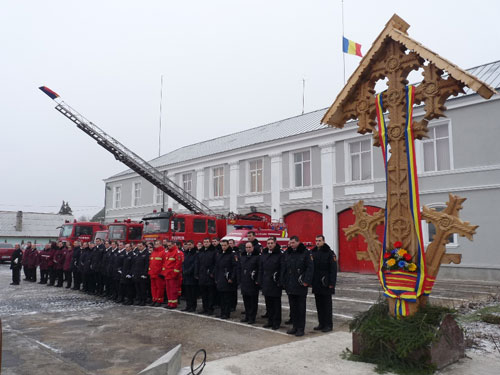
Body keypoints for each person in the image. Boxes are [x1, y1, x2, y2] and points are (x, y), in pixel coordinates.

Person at [281, 235, 313, 337]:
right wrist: (283, 281)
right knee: (293, 308)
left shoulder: (305, 252)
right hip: (290, 284)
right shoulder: (288, 253)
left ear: (298, 242)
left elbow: (310, 268)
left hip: (300, 284)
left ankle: (300, 328)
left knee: (300, 308)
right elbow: (284, 268)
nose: (291, 244)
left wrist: (306, 281)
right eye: (290, 243)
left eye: (293, 242)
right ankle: (294, 327)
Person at [311, 235, 337, 333]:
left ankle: (328, 325)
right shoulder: (313, 252)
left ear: (324, 241)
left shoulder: (330, 253)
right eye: (316, 240)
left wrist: (331, 283)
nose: (317, 242)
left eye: (319, 240)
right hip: (317, 283)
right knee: (319, 305)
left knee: (327, 305)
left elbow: (333, 270)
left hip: (326, 283)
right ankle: (321, 323)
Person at [259, 236, 283, 330]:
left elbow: (282, 269)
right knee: (268, 303)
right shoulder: (264, 254)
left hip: (275, 282)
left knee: (276, 304)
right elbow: (261, 268)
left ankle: (276, 322)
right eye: (268, 243)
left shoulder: (279, 255)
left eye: (271, 243)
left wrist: (280, 281)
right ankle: (270, 321)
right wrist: (260, 280)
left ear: (275, 244)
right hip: (266, 281)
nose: (270, 245)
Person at [215, 239, 238, 319]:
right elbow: (217, 267)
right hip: (220, 278)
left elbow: (235, 267)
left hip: (227, 278)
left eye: (225, 245)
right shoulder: (220, 254)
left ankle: (226, 313)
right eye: (222, 245)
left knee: (227, 297)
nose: (223, 247)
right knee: (221, 297)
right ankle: (222, 312)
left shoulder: (232, 254)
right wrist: (216, 277)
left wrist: (232, 277)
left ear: (228, 245)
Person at [240, 242, 260, 324]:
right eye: (246, 247)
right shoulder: (243, 257)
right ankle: (247, 316)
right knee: (246, 301)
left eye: (249, 247)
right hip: (244, 281)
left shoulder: (257, 257)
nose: (248, 249)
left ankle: (252, 317)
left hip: (252, 282)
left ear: (253, 248)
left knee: (253, 302)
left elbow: (259, 269)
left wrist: (257, 280)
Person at [195, 238, 217, 315]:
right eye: (204, 242)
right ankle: (205, 308)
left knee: (210, 294)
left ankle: (210, 309)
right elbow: (197, 263)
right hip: (202, 275)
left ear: (210, 243)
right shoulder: (200, 252)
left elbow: (216, 264)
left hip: (209, 276)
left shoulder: (213, 251)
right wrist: (196, 273)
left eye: (207, 242)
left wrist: (212, 273)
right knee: (203, 294)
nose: (206, 243)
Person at [162, 240, 183, 309]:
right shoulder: (168, 253)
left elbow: (178, 264)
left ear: (174, 244)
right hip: (167, 275)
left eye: (170, 245)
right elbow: (165, 264)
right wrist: (164, 273)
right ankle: (170, 302)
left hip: (173, 275)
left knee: (173, 290)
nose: (168, 247)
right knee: (168, 290)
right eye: (168, 246)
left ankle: (173, 304)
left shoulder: (177, 252)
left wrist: (175, 274)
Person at [148, 240, 166, 306]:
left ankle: (159, 300)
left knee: (160, 288)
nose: (156, 245)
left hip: (159, 274)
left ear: (161, 244)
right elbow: (151, 263)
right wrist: (149, 272)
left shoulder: (163, 252)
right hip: (152, 274)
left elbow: (165, 264)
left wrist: (162, 273)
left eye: (157, 244)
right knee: (153, 288)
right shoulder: (153, 252)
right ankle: (154, 299)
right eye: (155, 244)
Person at [182, 240, 198, 312]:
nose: (189, 246)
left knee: (192, 293)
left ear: (193, 245)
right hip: (186, 275)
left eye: (190, 244)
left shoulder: (195, 253)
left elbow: (194, 264)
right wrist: (184, 270)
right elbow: (183, 262)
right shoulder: (186, 253)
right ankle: (188, 306)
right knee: (187, 292)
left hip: (191, 275)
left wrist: (188, 271)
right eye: (187, 244)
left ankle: (193, 306)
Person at [228, 239, 240, 312]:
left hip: (234, 275)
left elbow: (236, 265)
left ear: (234, 244)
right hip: (228, 275)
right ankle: (229, 305)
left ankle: (233, 305)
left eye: (231, 243)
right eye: (228, 243)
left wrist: (233, 276)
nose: (230, 244)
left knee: (233, 292)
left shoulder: (236, 253)